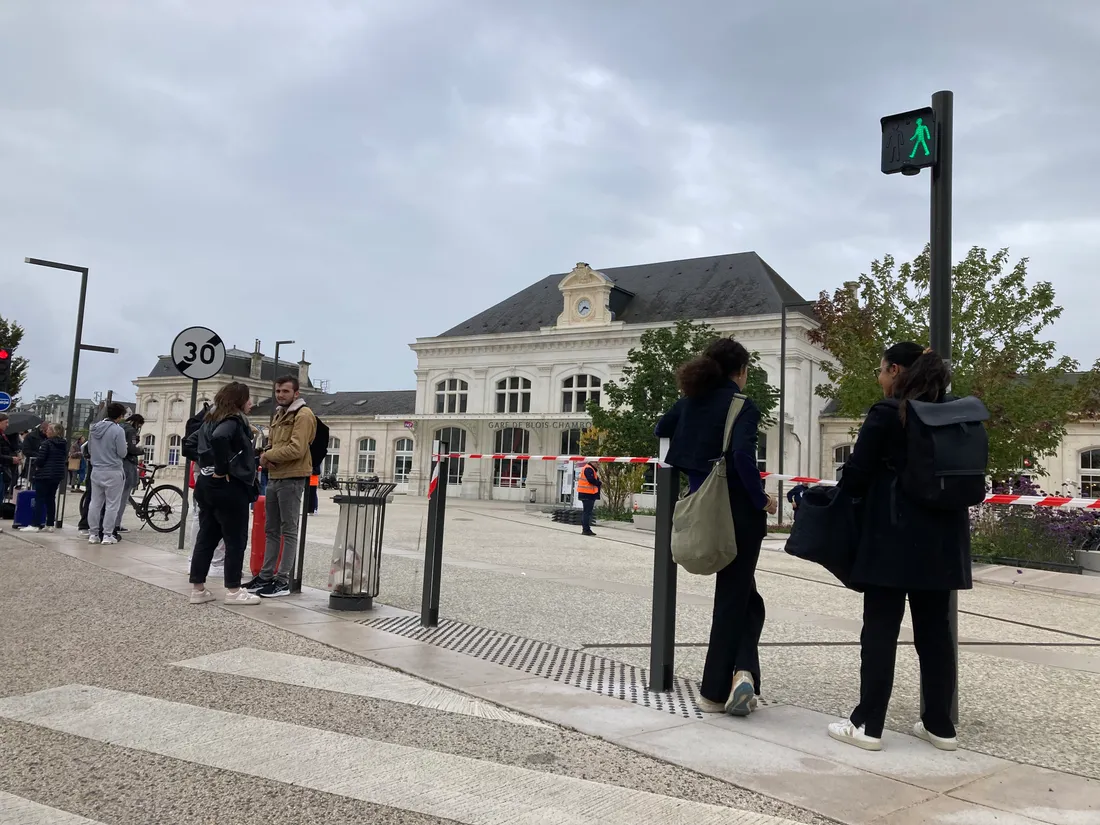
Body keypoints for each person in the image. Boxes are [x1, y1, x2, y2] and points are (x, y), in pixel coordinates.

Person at [827, 343, 970, 753]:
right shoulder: (954, 415)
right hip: (941, 541)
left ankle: (868, 725)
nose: (879, 378)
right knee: (935, 634)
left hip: (890, 538)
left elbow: (855, 476)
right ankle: (940, 727)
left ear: (894, 370)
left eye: (880, 369)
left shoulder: (887, 414)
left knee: (880, 630)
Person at [656, 338, 778, 716]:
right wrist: (762, 499)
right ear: (740, 371)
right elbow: (742, 456)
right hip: (737, 514)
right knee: (734, 597)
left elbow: (662, 427)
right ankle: (714, 690)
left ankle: (743, 674)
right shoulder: (742, 405)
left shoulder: (689, 403)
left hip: (701, 510)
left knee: (746, 599)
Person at [189, 381, 261, 605]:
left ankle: (198, 589)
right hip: (229, 487)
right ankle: (234, 590)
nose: (251, 403)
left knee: (206, 537)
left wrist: (207, 464)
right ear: (239, 401)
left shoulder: (209, 420)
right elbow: (221, 438)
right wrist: (222, 468)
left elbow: (188, 444)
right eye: (248, 399)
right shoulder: (232, 421)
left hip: (206, 485)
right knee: (235, 539)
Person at [245, 375, 317, 598]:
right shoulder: (279, 413)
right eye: (277, 391)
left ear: (296, 393)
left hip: (292, 477)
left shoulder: (303, 415)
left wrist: (268, 455)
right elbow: (273, 442)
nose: (280, 395)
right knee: (271, 529)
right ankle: (266, 576)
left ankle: (283, 580)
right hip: (275, 475)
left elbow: (297, 448)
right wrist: (267, 452)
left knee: (289, 530)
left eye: (285, 391)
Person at [87, 403, 129, 545]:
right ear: (120, 416)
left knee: (95, 503)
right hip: (113, 469)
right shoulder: (118, 430)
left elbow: (89, 448)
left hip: (97, 469)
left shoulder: (94, 428)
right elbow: (122, 452)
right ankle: (107, 534)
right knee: (112, 504)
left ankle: (93, 534)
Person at [20, 423, 68, 532]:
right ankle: (50, 524)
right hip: (57, 474)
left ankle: (35, 524)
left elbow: (41, 459)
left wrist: (36, 465)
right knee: (51, 498)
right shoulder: (63, 444)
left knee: (39, 498)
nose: (47, 431)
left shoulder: (47, 443)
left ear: (54, 432)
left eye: (49, 429)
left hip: (44, 474)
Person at [117, 414, 145, 534]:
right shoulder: (131, 430)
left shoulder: (119, 427)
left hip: (117, 464)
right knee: (123, 496)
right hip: (128, 464)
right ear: (137, 422)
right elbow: (131, 449)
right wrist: (141, 450)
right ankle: (116, 524)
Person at [0, 414, 22, 531]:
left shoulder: (5, 435)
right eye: (6, 423)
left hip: (4, 468)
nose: (7, 425)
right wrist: (11, 459)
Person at [576, 461, 601, 536]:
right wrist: (599, 483)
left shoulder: (588, 468)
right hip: (587, 494)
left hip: (586, 493)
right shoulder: (588, 469)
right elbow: (591, 480)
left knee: (586, 512)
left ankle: (586, 529)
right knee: (587, 512)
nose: (598, 464)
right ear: (592, 462)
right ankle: (586, 529)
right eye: (597, 463)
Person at [20, 421, 48, 488]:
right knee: (35, 485)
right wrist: (39, 455)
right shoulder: (31, 436)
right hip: (33, 464)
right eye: (46, 431)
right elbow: (25, 450)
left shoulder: (49, 438)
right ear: (42, 429)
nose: (48, 432)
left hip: (45, 467)